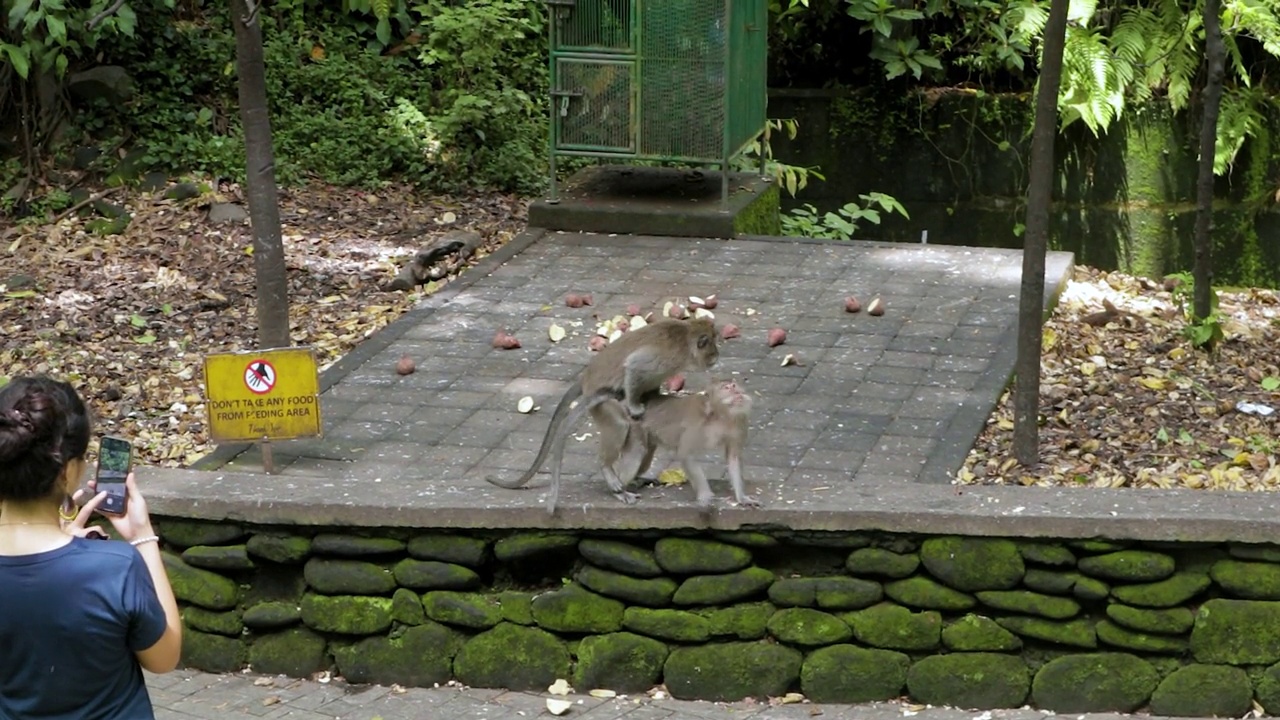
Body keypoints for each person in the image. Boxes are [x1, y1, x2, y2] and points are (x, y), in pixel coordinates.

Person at [0, 376, 182, 720]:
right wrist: (143, 538)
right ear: (68, 471)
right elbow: (165, 657)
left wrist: (60, 540)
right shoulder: (114, 568)